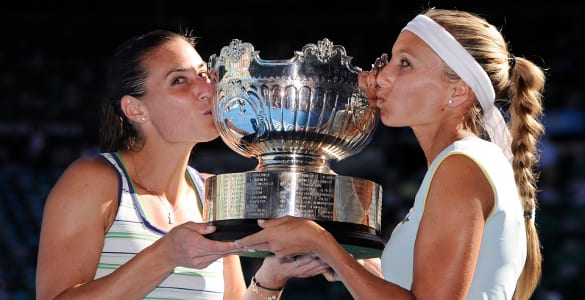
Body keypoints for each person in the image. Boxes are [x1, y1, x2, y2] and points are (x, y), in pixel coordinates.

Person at [235, 8, 545, 299]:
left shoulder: (461, 167)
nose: (382, 76)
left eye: (405, 64)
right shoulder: (466, 162)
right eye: (391, 61)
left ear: (458, 91)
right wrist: (351, 262)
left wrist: (323, 244)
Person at [35, 29, 328, 300]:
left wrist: (271, 277)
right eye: (179, 80)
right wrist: (164, 256)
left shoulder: (212, 193)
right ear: (135, 109)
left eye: (204, 74)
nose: (207, 89)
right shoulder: (94, 181)